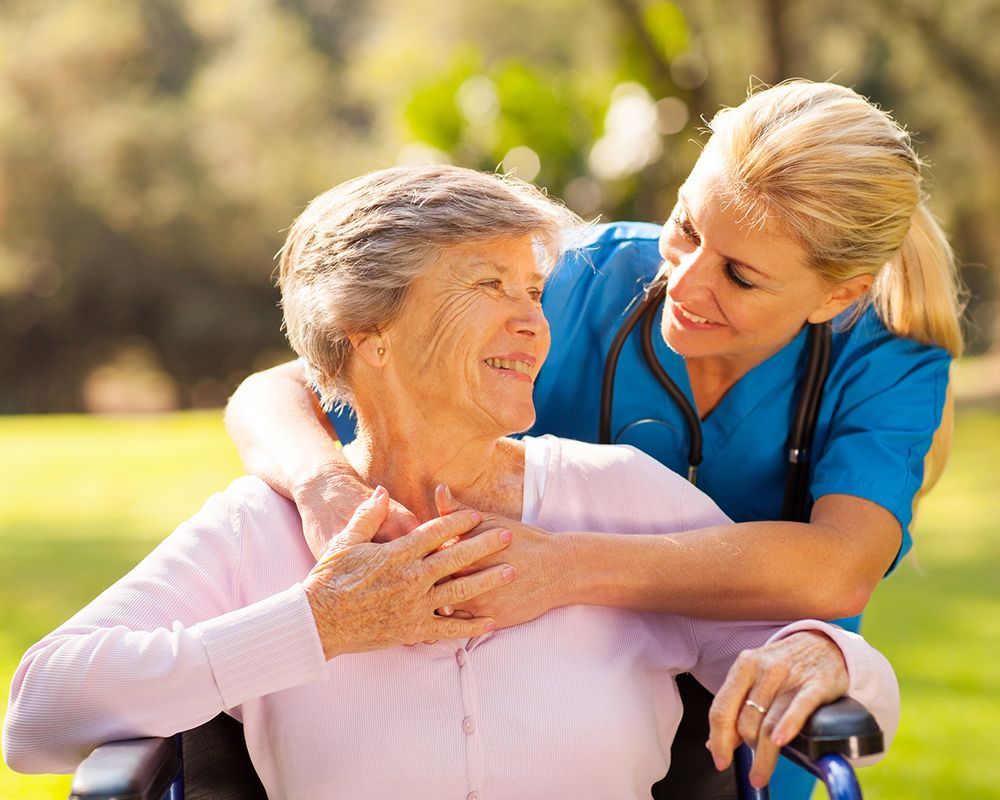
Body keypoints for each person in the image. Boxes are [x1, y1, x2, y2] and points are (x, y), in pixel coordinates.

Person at [4, 165, 900, 799]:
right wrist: (315, 627)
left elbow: (855, 685)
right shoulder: (260, 532)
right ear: (369, 329)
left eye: (535, 290)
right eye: (489, 284)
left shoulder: (621, 495)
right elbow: (36, 715)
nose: (534, 324)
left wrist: (826, 652)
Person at [224, 80, 964, 799]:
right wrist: (325, 485)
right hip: (561, 699)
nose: (687, 282)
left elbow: (839, 569)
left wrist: (565, 566)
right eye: (687, 228)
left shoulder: (887, 360)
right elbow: (280, 391)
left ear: (838, 293)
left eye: (739, 276)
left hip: (745, 703)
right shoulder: (588, 276)